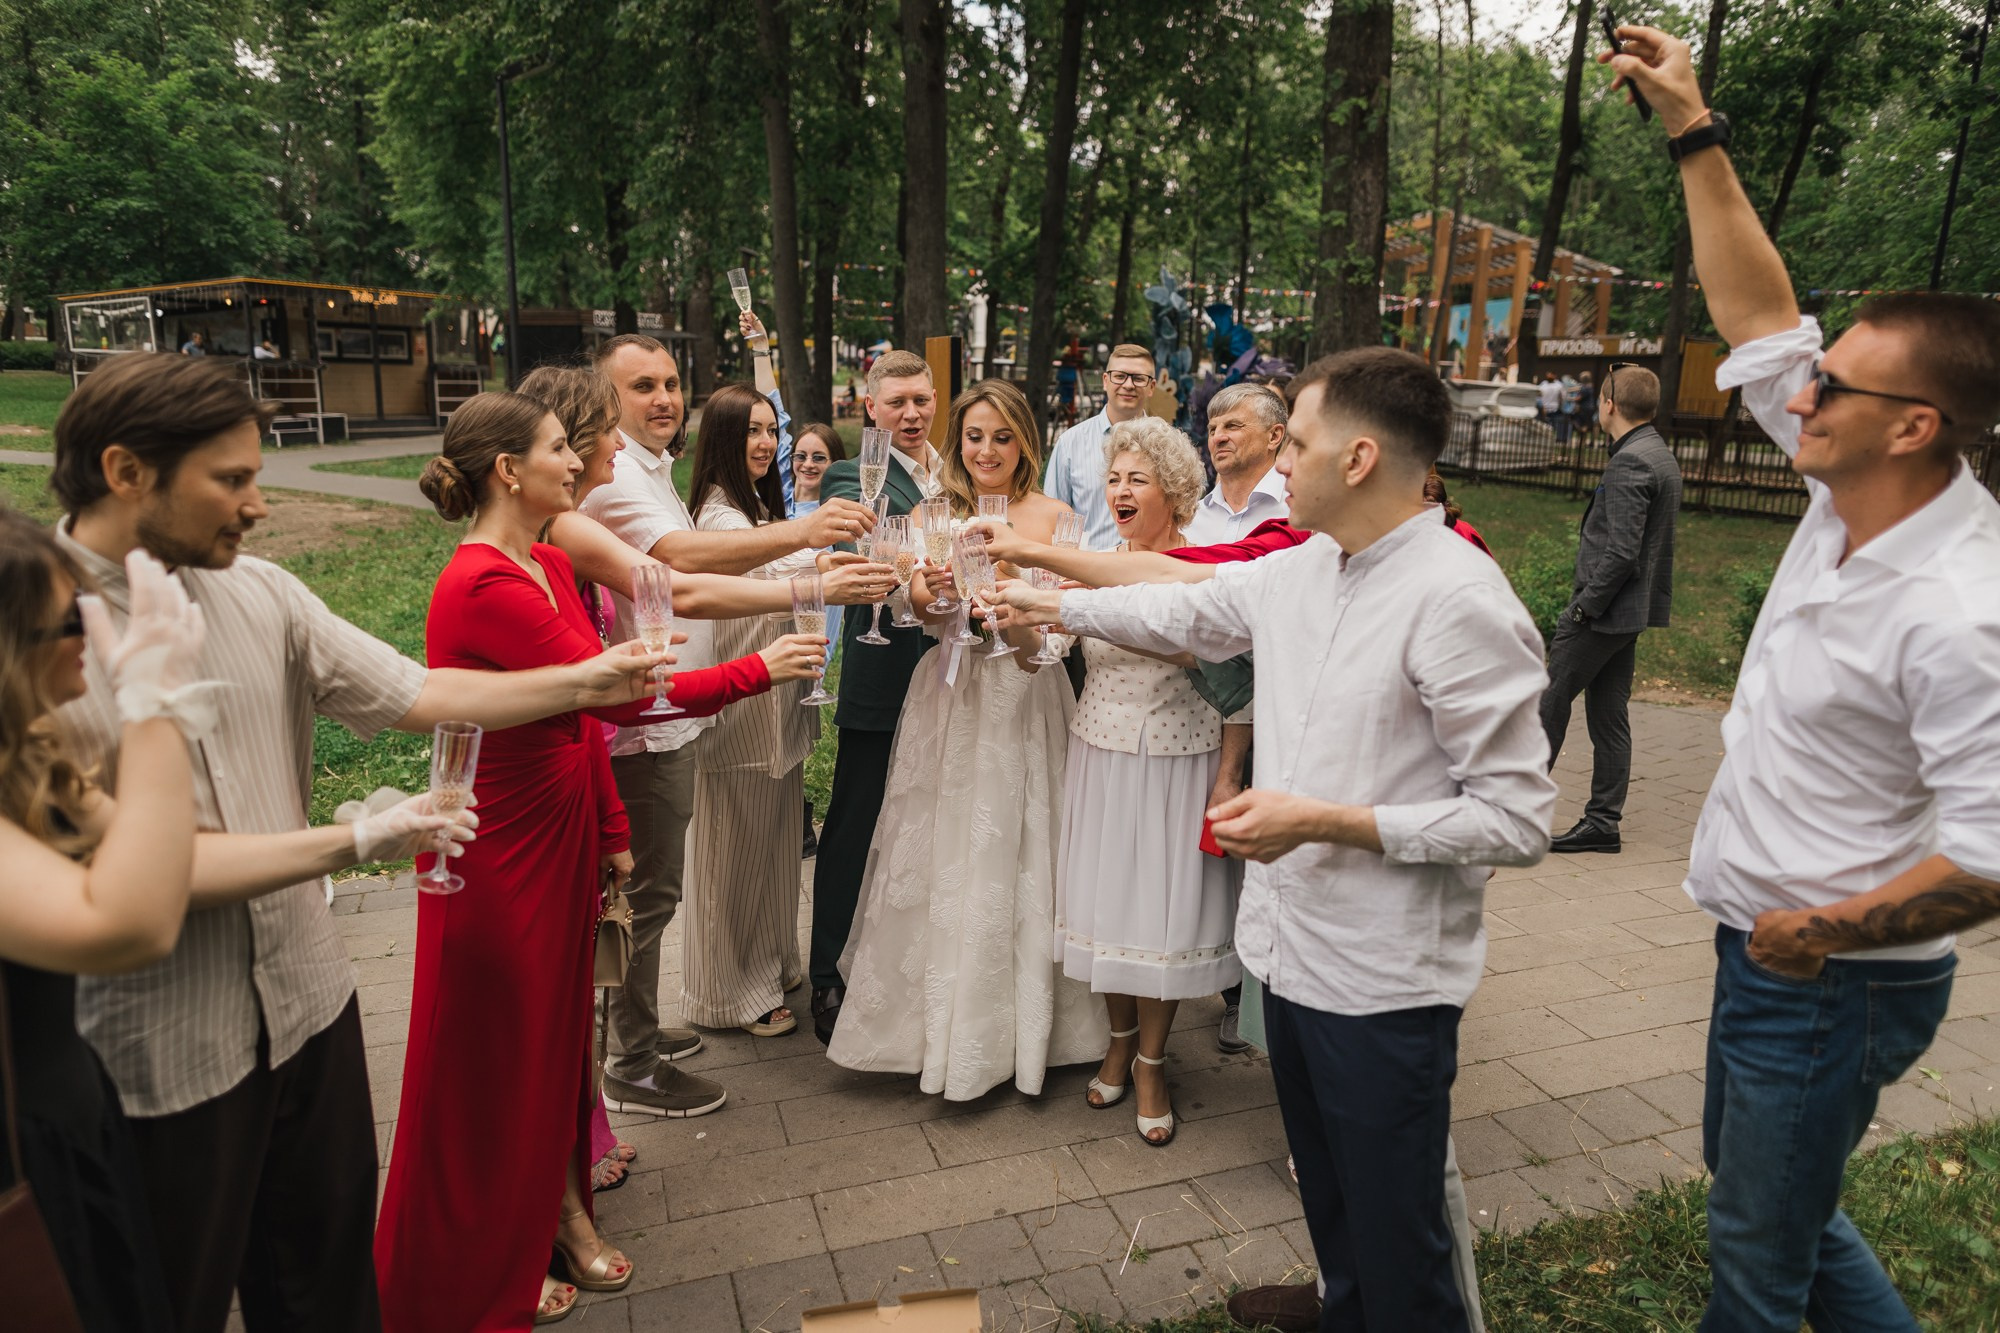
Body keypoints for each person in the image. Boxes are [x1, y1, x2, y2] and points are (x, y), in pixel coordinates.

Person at [45, 354, 663, 1333]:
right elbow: (122, 881)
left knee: (326, 1286)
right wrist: (357, 838)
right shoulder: (33, 631)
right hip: (158, 1050)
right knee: (171, 1302)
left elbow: (420, 693)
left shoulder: (263, 593)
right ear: (125, 472)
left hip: (310, 1007)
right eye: (232, 480)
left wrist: (590, 682)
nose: (258, 505)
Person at [988, 346, 1555, 1330]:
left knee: (1400, 1227)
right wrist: (1050, 601)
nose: (1277, 463)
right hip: (1283, 954)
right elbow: (1180, 604)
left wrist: (1320, 820)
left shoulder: (1459, 599)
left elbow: (1514, 816)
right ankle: (1343, 1305)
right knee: (1330, 1194)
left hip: (1382, 978)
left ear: (1361, 456)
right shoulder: (1301, 568)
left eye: (1294, 441)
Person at [1608, 25, 2000, 1331]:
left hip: (1832, 973)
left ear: (1916, 425)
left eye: (1832, 384)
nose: (1799, 391)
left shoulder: (1960, 608)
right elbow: (1762, 317)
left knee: (1755, 1266)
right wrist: (1691, 128)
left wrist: (1814, 934)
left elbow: (1994, 856)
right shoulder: (1854, 486)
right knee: (1779, 1205)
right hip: (1770, 945)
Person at [377, 393, 814, 1330]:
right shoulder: (481, 585)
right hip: (499, 844)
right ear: (508, 471)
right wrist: (756, 670)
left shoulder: (542, 559)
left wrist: (613, 827)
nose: (576, 463)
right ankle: (492, 1244)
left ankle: (563, 1208)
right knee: (498, 1050)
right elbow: (616, 694)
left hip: (565, 816)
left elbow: (580, 721)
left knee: (556, 1040)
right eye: (555, 451)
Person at [0, 522, 474, 1333]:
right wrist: (153, 706)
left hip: (65, 1122)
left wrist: (362, 838)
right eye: (68, 619)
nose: (90, 629)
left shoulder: (31, 756)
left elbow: (176, 860)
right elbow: (133, 921)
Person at [578, 333, 874, 1117]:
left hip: (674, 706)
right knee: (643, 899)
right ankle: (631, 1064)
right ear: (605, 400)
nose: (664, 398)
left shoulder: (651, 470)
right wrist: (808, 547)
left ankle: (636, 1031)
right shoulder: (614, 482)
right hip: (646, 717)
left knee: (655, 895)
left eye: (673, 381)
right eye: (642, 386)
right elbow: (687, 570)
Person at [827, 379, 1106, 1098]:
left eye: (1002, 437)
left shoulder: (1057, 516)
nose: (987, 450)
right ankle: (931, 1029)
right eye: (975, 436)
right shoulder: (935, 512)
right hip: (950, 692)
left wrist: (1008, 591)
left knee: (1023, 844)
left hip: (1026, 690)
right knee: (942, 843)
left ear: (1026, 443)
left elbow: (1061, 628)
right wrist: (941, 591)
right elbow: (915, 600)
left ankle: (1030, 1030)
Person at [809, 349, 942, 1045]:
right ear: (871, 408)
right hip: (882, 672)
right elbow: (857, 533)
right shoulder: (850, 475)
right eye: (897, 403)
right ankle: (827, 974)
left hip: (948, 671)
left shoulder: (951, 470)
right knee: (856, 822)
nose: (913, 413)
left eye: (921, 400)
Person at [685, 383, 823, 1038]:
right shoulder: (717, 518)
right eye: (751, 431)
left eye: (772, 430)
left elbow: (790, 557)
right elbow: (775, 575)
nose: (766, 443)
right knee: (733, 851)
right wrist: (828, 561)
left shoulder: (756, 510)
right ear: (722, 439)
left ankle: (770, 963)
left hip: (775, 700)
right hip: (741, 705)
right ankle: (728, 992)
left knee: (771, 847)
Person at [1182, 382, 1290, 1055]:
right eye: (1213, 425)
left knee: (1269, 849)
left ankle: (1270, 992)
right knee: (1224, 848)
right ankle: (1233, 989)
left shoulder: (1292, 508)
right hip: (1209, 702)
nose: (1219, 435)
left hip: (1278, 704)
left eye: (1234, 424)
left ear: (1276, 436)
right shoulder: (1199, 516)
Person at [1540, 363, 1681, 855]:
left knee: (1547, 702)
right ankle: (1603, 821)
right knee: (1608, 715)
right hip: (1630, 614)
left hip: (1603, 613)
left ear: (1608, 404)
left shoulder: (1631, 461)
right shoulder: (1658, 453)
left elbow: (1621, 552)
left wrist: (1582, 610)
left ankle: (1508, 812)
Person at [1044, 343, 1161, 550]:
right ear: (1105, 381)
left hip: (1147, 571)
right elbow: (1051, 520)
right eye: (1119, 376)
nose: (1128, 384)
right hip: (1087, 573)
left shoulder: (1166, 446)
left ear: (1151, 387)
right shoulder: (1070, 443)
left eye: (1138, 378)